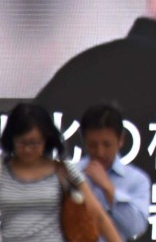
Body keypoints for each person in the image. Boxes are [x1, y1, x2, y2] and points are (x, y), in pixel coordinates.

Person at [0, 103, 120, 242]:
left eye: (34, 143)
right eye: (22, 143)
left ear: (46, 139)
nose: (27, 149)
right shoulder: (2, 169)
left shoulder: (63, 169)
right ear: (11, 139)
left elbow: (98, 214)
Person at [78, 103, 151, 241]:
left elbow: (136, 228)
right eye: (93, 145)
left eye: (107, 144)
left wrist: (109, 189)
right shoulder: (70, 174)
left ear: (121, 140)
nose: (100, 152)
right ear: (84, 140)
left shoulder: (137, 180)